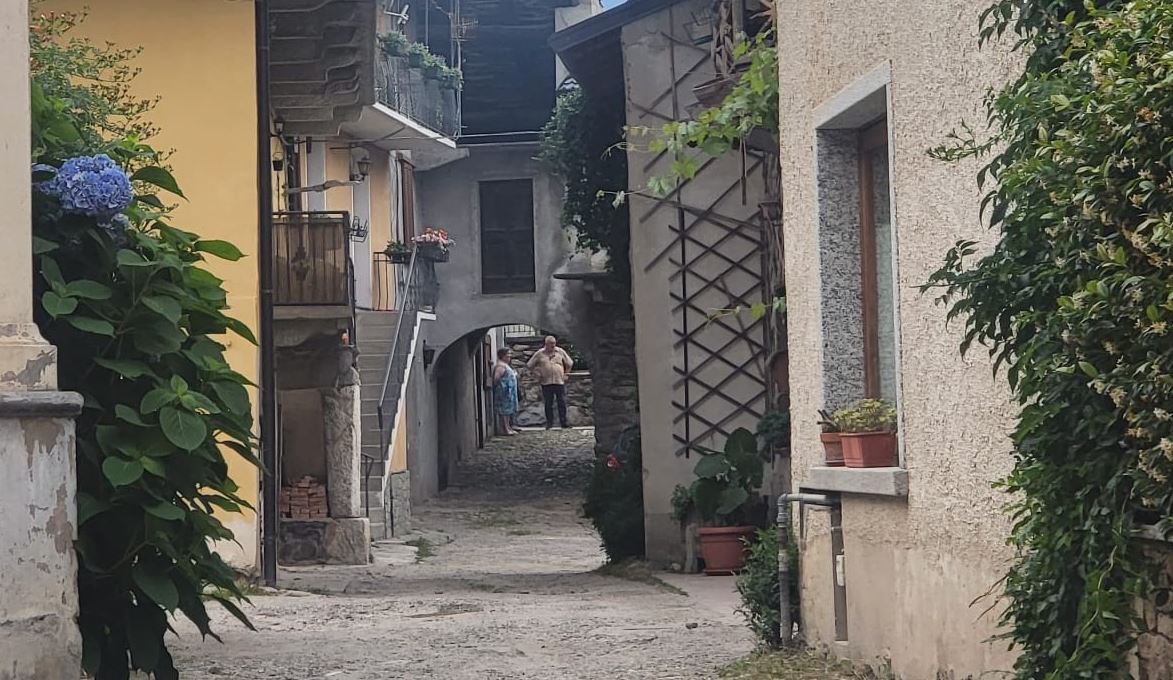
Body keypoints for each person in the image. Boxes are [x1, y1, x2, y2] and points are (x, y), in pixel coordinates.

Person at [527, 335, 573, 429]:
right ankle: (549, 423)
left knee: (562, 402)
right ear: (546, 344)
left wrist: (566, 374)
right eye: (551, 344)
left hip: (559, 381)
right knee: (548, 403)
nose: (553, 346)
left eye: (554, 343)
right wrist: (536, 374)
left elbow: (569, 363)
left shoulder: (560, 351)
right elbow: (530, 365)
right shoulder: (540, 353)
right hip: (546, 381)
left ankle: (564, 423)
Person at [493, 348, 521, 435]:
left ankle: (508, 427)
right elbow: (497, 378)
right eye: (507, 354)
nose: (509, 356)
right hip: (504, 392)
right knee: (504, 411)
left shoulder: (505, 365)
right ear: (503, 355)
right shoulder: (501, 366)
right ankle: (505, 428)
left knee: (509, 410)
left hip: (509, 392)